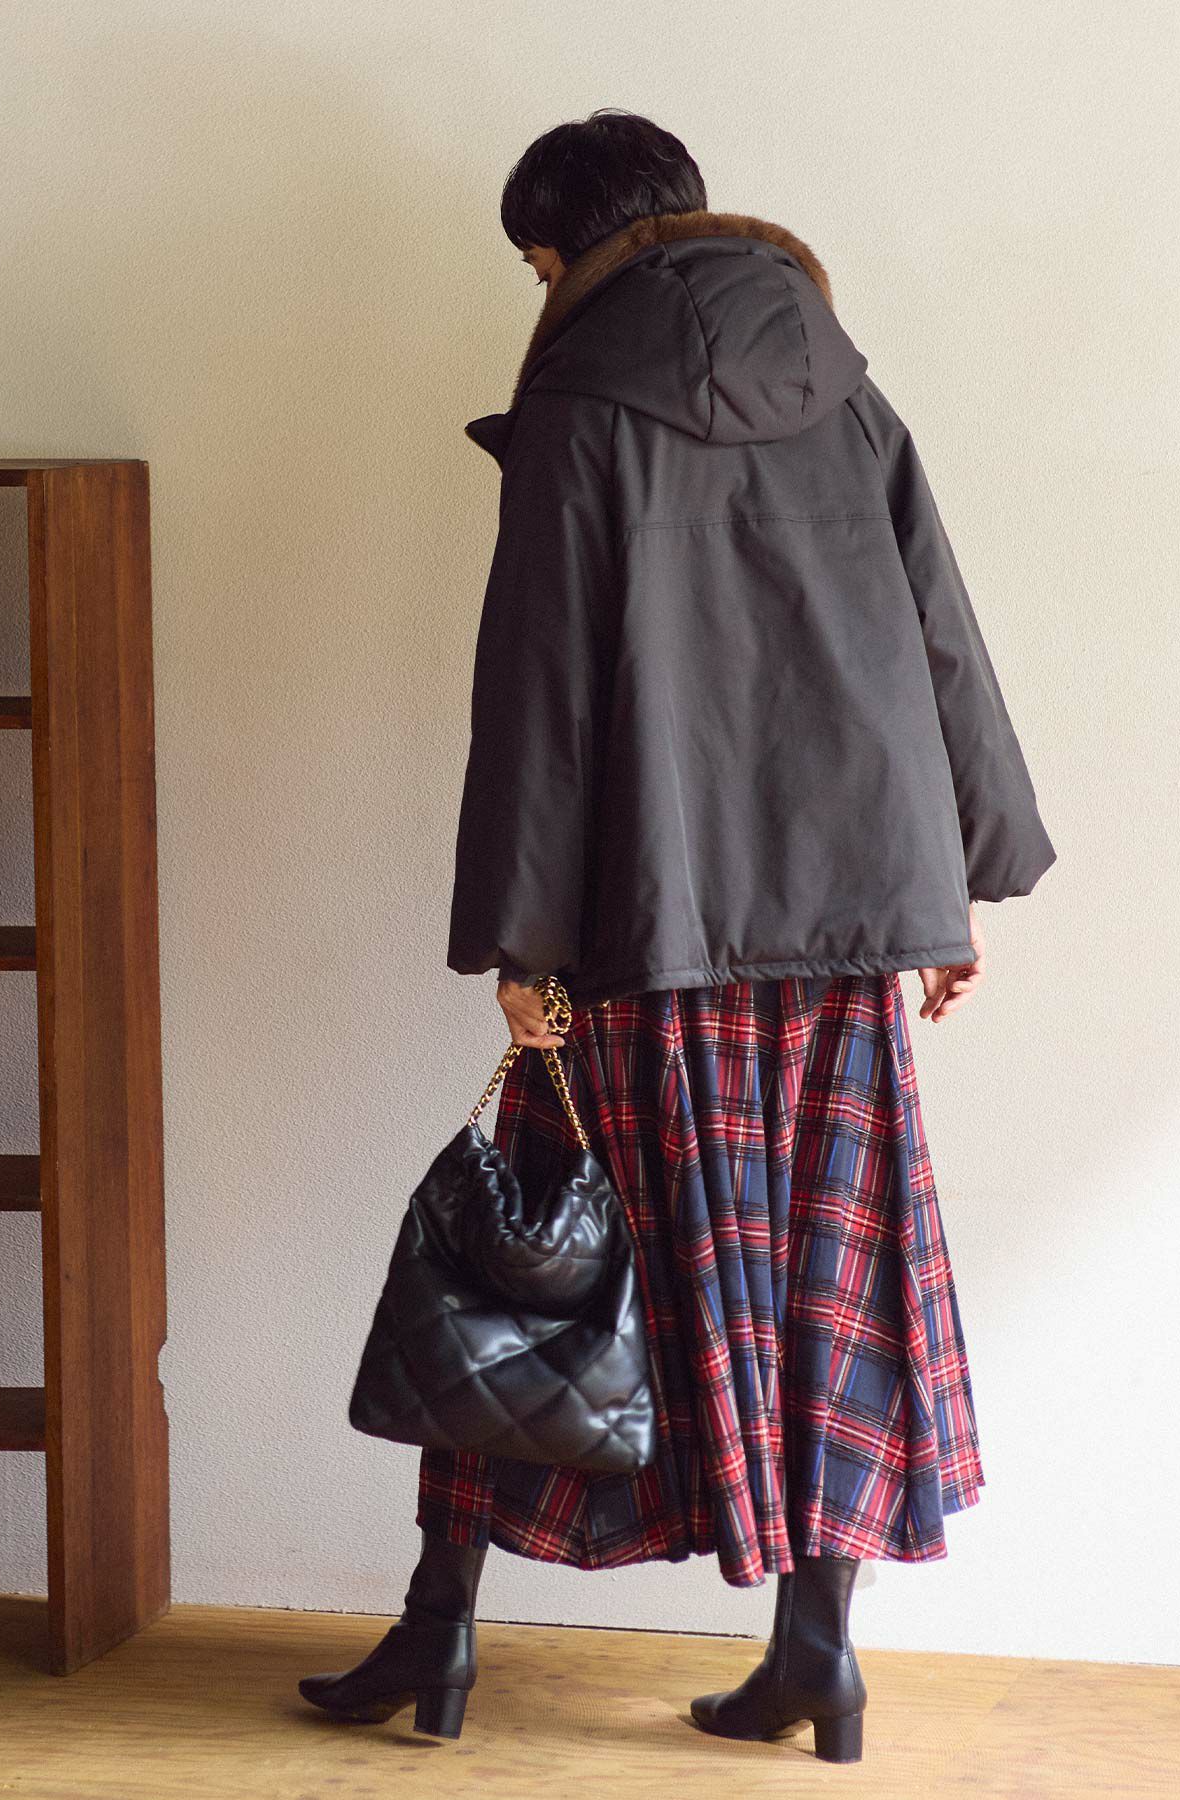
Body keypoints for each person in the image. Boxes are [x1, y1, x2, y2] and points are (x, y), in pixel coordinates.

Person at [299, 109, 1054, 1765]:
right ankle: (818, 1657)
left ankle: (437, 1634)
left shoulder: (580, 411)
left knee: (529, 1264)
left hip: (651, 922)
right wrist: (963, 882)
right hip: (848, 933)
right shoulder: (848, 393)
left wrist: (522, 941)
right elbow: (941, 636)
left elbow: (541, 701)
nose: (540, 290)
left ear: (578, 247)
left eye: (538, 261)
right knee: (827, 1283)